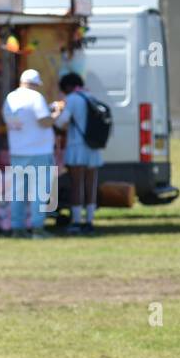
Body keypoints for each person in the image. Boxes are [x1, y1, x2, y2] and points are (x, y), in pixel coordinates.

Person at [2, 69, 58, 238]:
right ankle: (37, 228)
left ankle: (17, 228)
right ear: (35, 84)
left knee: (18, 192)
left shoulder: (10, 98)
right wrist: (56, 113)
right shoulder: (36, 97)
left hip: (18, 151)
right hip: (39, 151)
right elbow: (44, 121)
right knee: (39, 192)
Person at [54, 72, 103, 236]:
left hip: (77, 147)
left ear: (68, 86)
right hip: (93, 147)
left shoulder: (73, 99)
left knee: (77, 185)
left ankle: (76, 221)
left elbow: (62, 122)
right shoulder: (91, 96)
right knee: (91, 184)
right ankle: (89, 221)